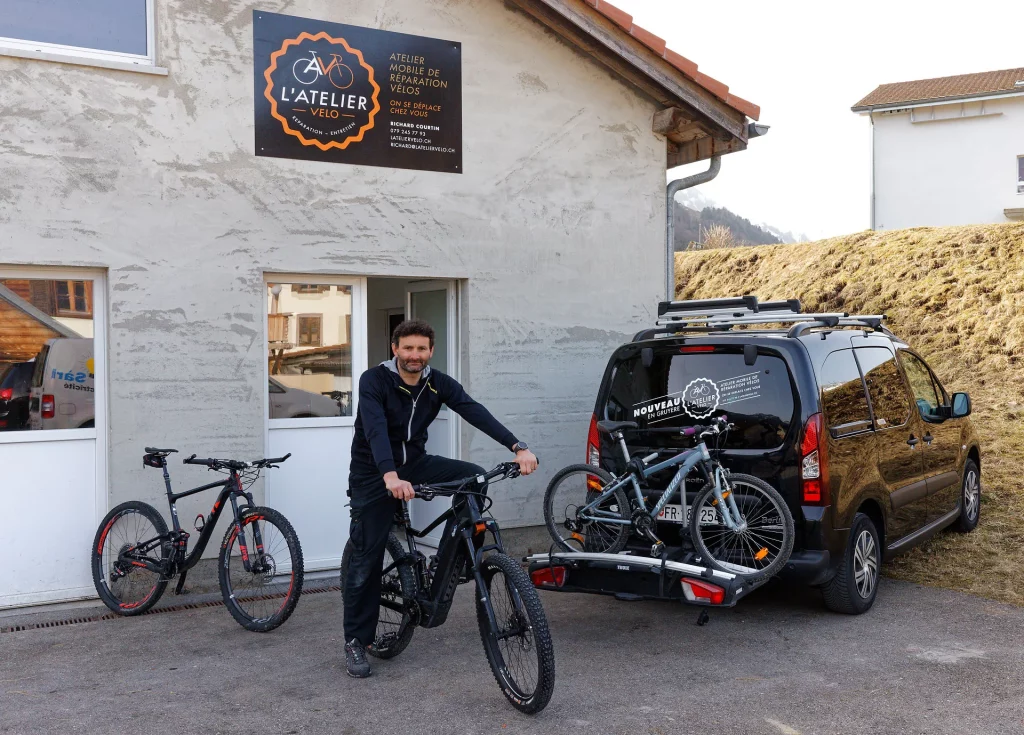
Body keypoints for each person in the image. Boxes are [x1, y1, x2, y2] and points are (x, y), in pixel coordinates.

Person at [343, 319, 538, 678]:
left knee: (475, 478)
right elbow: (375, 430)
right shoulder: (375, 380)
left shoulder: (436, 382)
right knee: (366, 558)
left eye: (421, 348)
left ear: (430, 351)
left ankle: (455, 557)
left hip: (416, 464)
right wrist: (389, 475)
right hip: (373, 472)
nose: (414, 355)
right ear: (395, 349)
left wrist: (517, 446)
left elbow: (472, 409)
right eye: (408, 348)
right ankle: (356, 639)